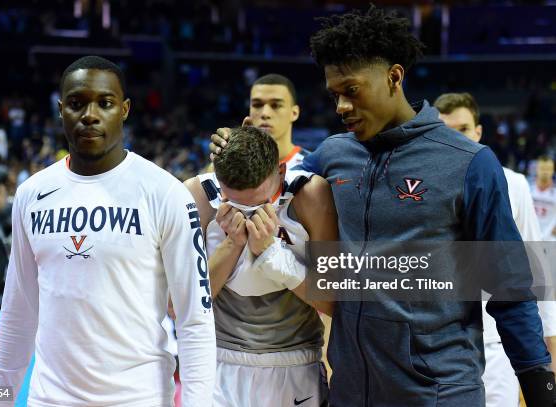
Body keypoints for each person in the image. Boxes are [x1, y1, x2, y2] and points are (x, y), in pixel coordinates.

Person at [208, 6, 553, 407]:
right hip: (351, 391)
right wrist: (237, 147)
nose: (340, 107)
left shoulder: (469, 163)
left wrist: (539, 386)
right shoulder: (333, 155)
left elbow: (509, 287)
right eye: (335, 94)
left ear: (394, 76)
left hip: (439, 392)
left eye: (352, 90)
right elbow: (269, 179)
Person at [0, 56, 216, 407]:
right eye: (77, 103)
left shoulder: (165, 193)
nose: (89, 114)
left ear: (124, 109)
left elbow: (195, 321)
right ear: (61, 110)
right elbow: (18, 314)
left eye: (104, 103)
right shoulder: (31, 195)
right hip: (50, 399)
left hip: (139, 398)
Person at [187, 126, 337, 407]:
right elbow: (179, 305)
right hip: (219, 360)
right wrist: (232, 245)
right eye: (233, 203)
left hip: (295, 362)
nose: (247, 215)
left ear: (281, 173)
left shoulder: (310, 195)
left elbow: (333, 301)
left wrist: (272, 254)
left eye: (257, 204)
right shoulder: (197, 194)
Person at [435, 91, 556, 407]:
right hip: (437, 344)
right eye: (444, 129)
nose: (453, 138)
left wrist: (549, 340)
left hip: (495, 340)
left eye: (461, 129)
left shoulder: (513, 183)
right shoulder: (419, 187)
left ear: (478, 132)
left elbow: (537, 262)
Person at [208, 73, 308, 171]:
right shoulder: (233, 163)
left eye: (276, 105)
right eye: (257, 105)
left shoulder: (314, 167)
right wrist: (219, 165)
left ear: (294, 113)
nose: (265, 113)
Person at [531, 156, 556, 241]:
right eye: (542, 168)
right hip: (530, 239)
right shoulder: (527, 189)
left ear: (553, 170)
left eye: (548, 169)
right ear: (536, 169)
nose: (545, 172)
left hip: (550, 241)